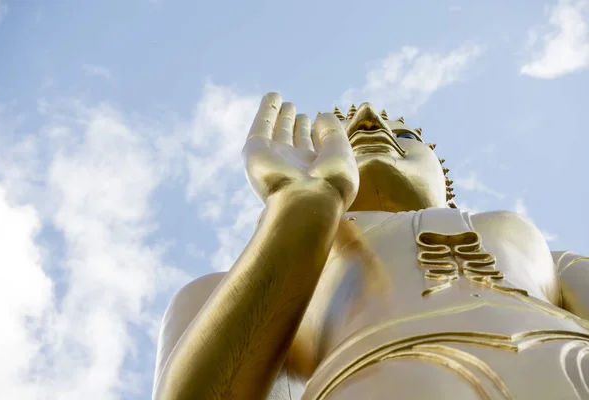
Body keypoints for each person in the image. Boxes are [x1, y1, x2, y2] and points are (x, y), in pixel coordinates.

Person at [153, 93, 589, 400]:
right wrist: (299, 211)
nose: (367, 119)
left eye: (408, 135)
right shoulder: (254, 279)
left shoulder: (535, 247)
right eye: (341, 136)